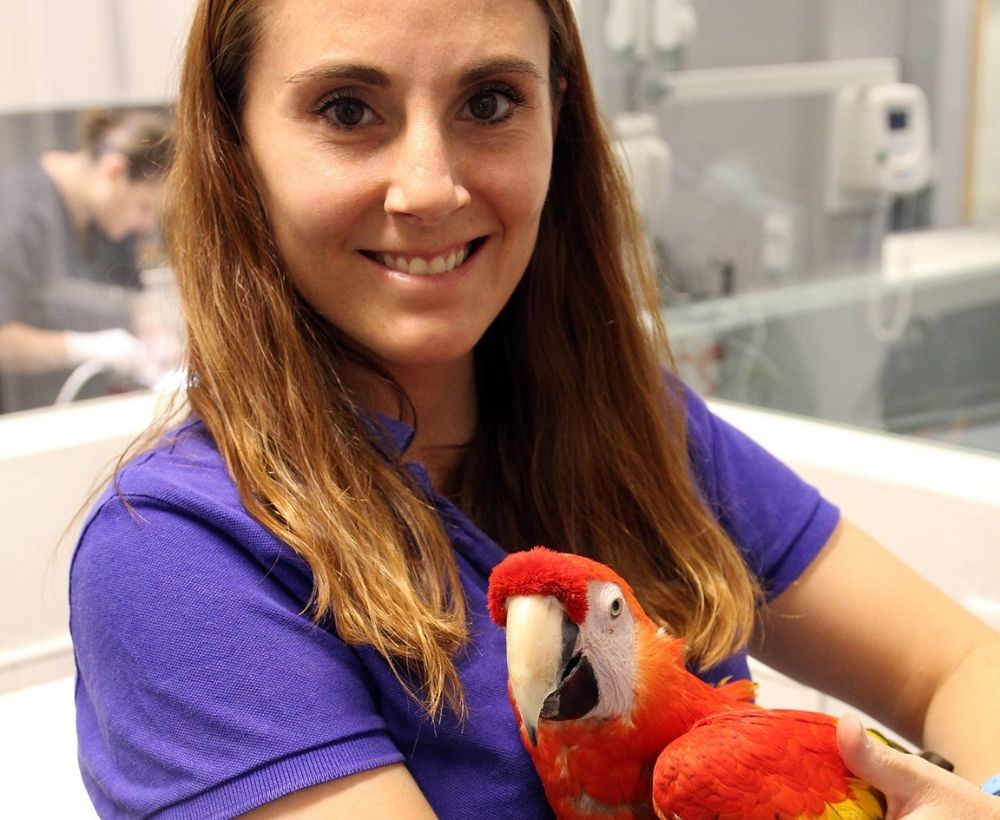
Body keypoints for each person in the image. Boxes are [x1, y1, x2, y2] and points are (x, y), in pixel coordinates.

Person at [68, 1, 1000, 818]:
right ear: (237, 143)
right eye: (347, 111)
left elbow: (958, 667)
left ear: (558, 115)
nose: (430, 187)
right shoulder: (172, 559)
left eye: (488, 103)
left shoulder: (642, 428)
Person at [0, 107, 173, 413]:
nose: (146, 226)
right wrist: (82, 347)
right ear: (114, 172)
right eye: (144, 207)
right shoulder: (20, 215)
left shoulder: (105, 221)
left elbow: (121, 294)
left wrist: (150, 328)